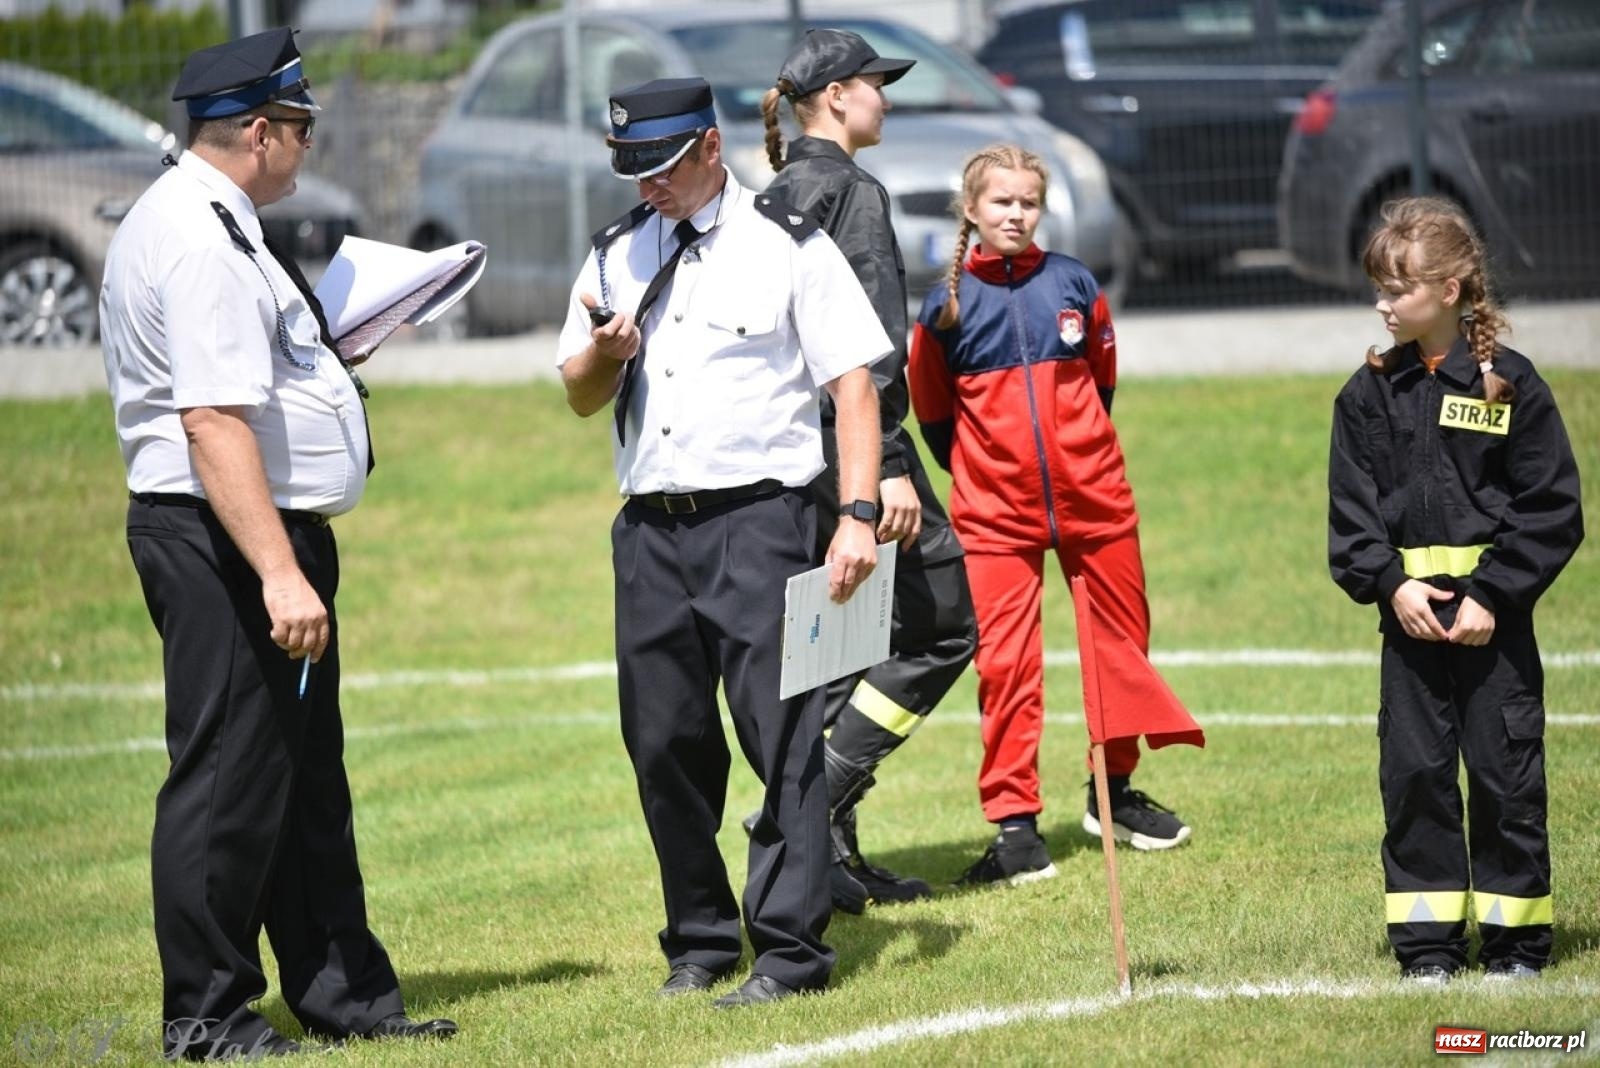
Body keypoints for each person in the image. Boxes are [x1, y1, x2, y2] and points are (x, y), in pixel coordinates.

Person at [99, 28, 455, 1058]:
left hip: (256, 535)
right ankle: (205, 1018)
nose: (307, 144)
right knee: (228, 780)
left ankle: (343, 996)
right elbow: (210, 423)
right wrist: (279, 572)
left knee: (302, 782)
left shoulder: (222, 217)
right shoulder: (201, 237)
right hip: (226, 542)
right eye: (300, 126)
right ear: (258, 131)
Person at [557, 77, 888, 1008]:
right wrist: (603, 357)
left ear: (710, 145)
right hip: (650, 535)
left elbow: (852, 389)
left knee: (781, 740)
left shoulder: (788, 247)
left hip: (760, 526)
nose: (646, 186)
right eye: (633, 169)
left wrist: (857, 515)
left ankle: (789, 952)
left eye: (660, 166)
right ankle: (698, 941)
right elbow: (581, 395)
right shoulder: (617, 253)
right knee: (662, 742)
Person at [907, 144, 1192, 887]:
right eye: (1000, 202)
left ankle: (1115, 795)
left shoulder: (1074, 283)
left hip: (1097, 503)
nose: (1015, 213)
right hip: (994, 517)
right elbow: (935, 417)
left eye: (1027, 202)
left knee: (1122, 649)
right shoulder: (944, 308)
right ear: (971, 210)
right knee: (1005, 667)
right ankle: (1015, 831)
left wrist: (1075, 462)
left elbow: (1101, 385)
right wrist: (991, 472)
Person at [1328, 196, 1582, 984]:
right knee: (1415, 782)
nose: (1382, 303)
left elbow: (1552, 509)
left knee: (1507, 782)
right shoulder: (1366, 396)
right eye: (1378, 286)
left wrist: (1492, 595)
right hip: (1408, 631)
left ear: (1451, 287)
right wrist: (1389, 586)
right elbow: (1351, 518)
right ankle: (1427, 950)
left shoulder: (1514, 387)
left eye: (1397, 288)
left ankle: (1516, 948)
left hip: (1491, 629)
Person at [757, 28, 978, 912]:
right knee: (946, 621)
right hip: (855, 456)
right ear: (839, 97)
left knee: (846, 642)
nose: (886, 98)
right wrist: (884, 467)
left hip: (789, 458)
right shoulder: (852, 191)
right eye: (876, 85)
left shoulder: (768, 195)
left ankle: (829, 848)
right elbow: (869, 349)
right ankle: (822, 807)